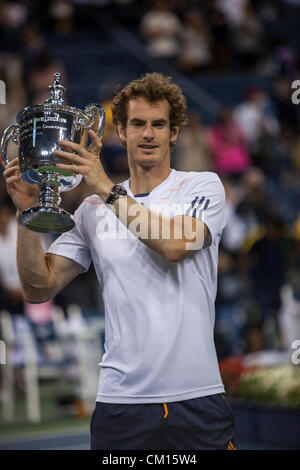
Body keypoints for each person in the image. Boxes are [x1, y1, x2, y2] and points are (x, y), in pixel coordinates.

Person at [1, 72, 237, 450]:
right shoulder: (93, 209)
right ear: (121, 132)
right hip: (120, 405)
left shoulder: (201, 186)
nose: (148, 134)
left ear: (174, 133)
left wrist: (106, 189)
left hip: (197, 397)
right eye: (138, 124)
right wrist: (28, 215)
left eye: (159, 125)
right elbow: (38, 287)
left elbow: (176, 245)